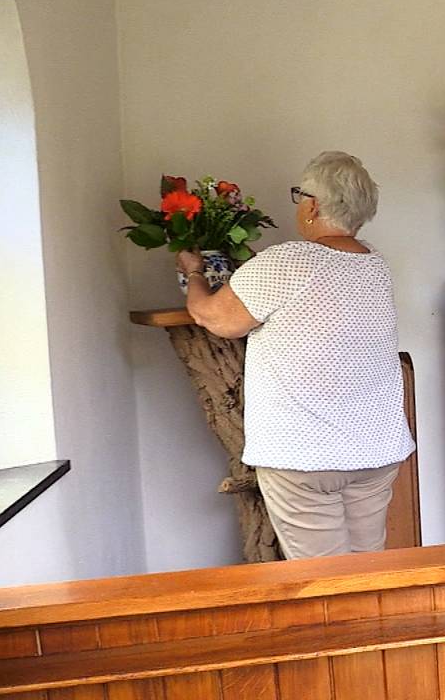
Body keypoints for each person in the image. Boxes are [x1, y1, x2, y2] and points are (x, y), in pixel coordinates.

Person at [177, 151, 414, 560]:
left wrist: (194, 272)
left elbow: (215, 318)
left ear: (313, 205)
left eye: (299, 195)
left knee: (322, 585)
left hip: (305, 456)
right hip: (374, 451)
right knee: (367, 571)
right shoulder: (375, 266)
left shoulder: (289, 260)